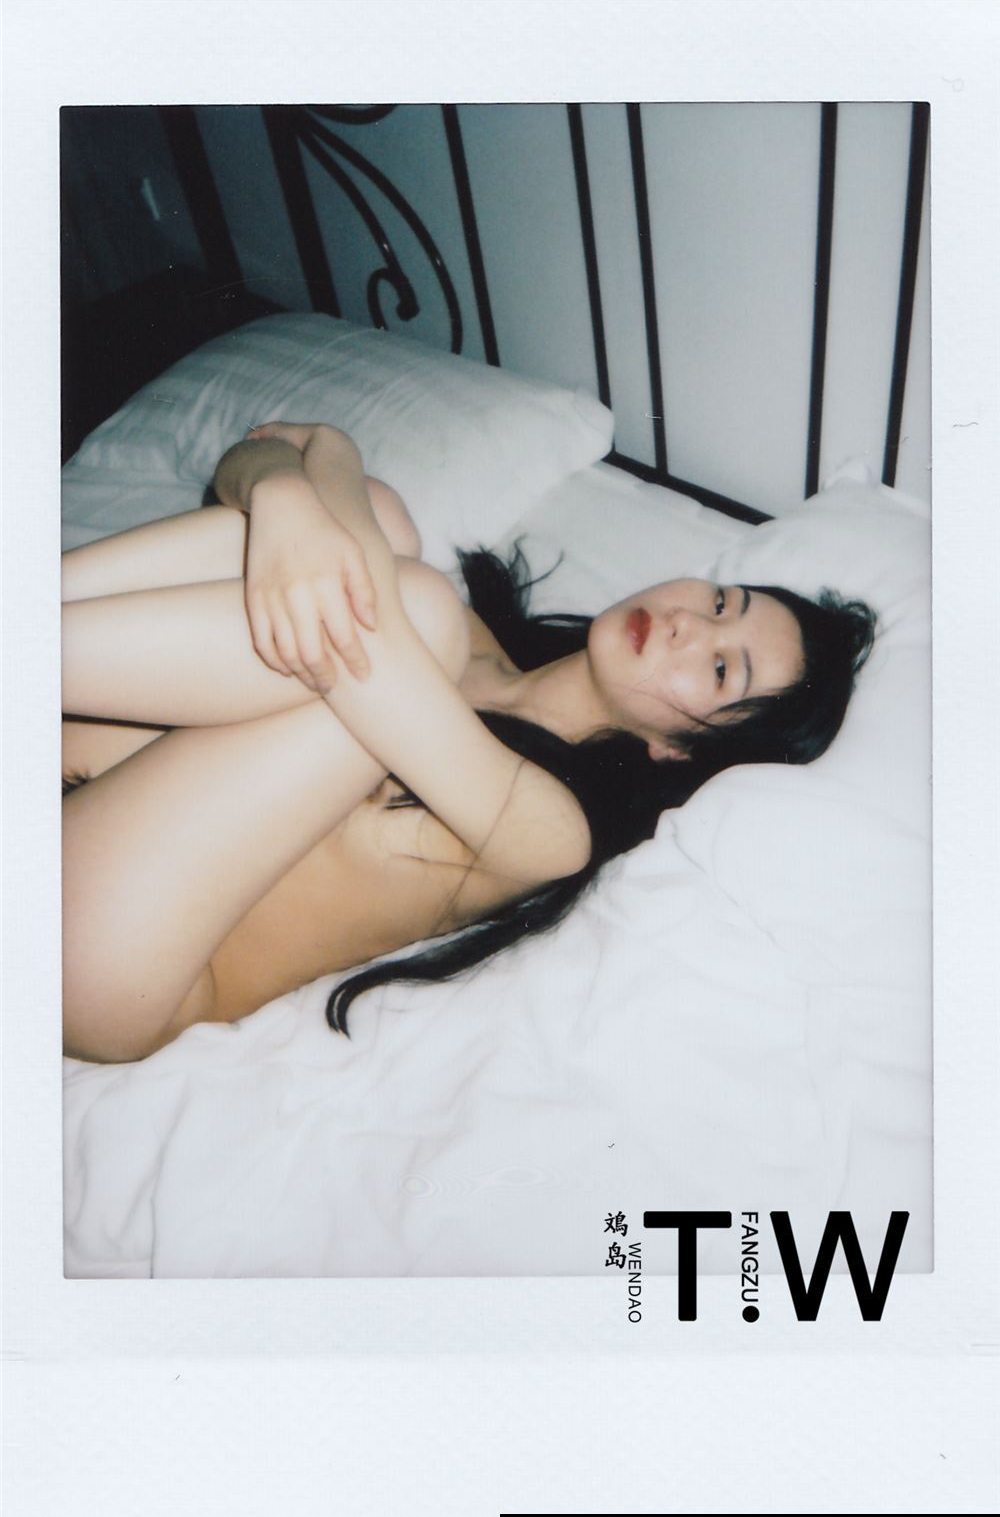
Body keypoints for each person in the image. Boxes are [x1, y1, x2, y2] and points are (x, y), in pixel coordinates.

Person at [62, 423, 876, 1063]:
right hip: (85, 786)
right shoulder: (458, 629)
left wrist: (327, 458)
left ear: (681, 753)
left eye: (721, 668)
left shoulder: (553, 830)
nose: (687, 625)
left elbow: (362, 606)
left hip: (119, 955)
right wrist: (283, 490)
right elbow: (254, 459)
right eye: (722, 602)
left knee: (396, 579)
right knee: (380, 529)